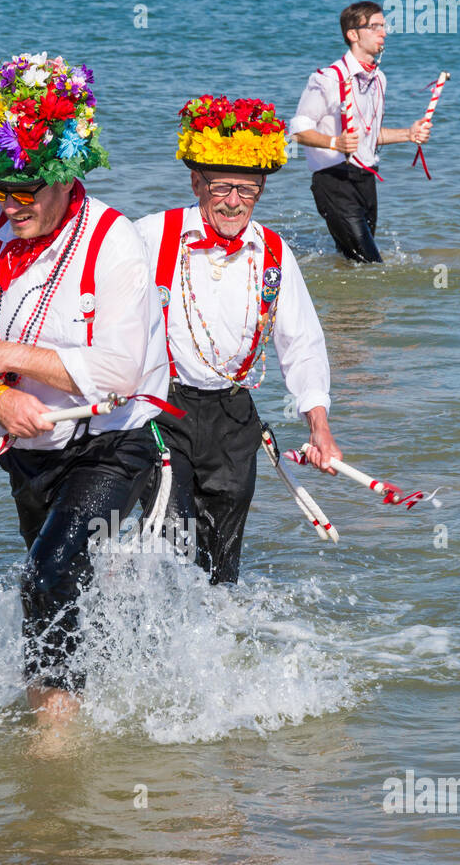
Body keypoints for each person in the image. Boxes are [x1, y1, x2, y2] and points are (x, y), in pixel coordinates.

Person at [0, 53, 169, 725]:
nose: (10, 208)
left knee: (46, 571)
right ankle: (85, 688)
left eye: (25, 192)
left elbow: (118, 372)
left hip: (115, 439)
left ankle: (54, 734)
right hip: (28, 444)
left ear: (67, 179)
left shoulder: (115, 241)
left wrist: (2, 356)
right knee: (60, 577)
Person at [135, 94, 340, 585]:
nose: (232, 201)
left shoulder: (274, 252)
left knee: (222, 566)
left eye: (246, 190)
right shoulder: (148, 236)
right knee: (168, 542)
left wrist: (319, 424)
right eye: (222, 187)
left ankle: (222, 652)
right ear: (195, 182)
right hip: (163, 411)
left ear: (262, 188)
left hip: (235, 418)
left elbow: (302, 342)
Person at [290, 1, 433, 262]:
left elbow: (370, 135)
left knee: (351, 262)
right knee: (371, 264)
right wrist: (335, 142)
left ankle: (348, 304)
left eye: (384, 26)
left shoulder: (379, 78)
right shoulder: (327, 78)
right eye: (375, 27)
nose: (384, 33)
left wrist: (408, 134)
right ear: (353, 34)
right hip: (334, 179)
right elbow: (298, 130)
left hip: (366, 179)